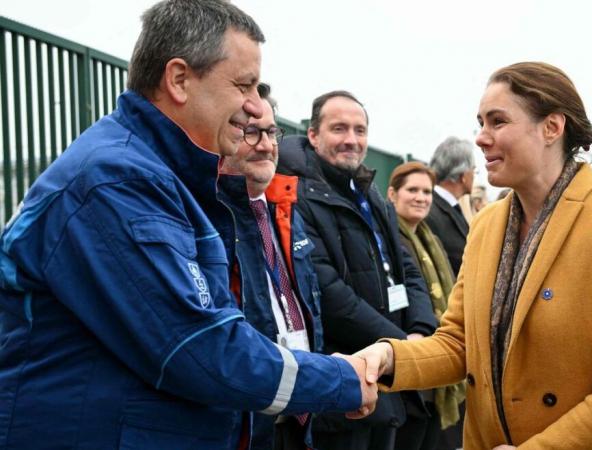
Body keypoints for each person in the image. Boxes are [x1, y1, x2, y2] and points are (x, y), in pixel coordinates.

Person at [0, 2, 377, 449]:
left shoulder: (166, 177)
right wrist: (339, 379)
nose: (256, 107)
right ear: (179, 79)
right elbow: (199, 347)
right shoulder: (115, 181)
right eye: (244, 85)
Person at [354, 62, 592, 449]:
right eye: (480, 123)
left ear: (552, 127)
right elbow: (458, 344)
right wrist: (387, 357)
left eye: (497, 121)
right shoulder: (487, 225)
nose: (481, 139)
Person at [277, 91, 437, 450]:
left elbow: (407, 268)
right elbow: (327, 293)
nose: (352, 139)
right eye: (339, 129)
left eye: (360, 130)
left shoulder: (369, 193)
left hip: (388, 375)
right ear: (314, 135)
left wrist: (421, 331)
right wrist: (399, 345)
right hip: (344, 384)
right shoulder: (297, 195)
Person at [219, 84, 322, 450]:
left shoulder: (285, 207)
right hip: (246, 421)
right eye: (250, 132)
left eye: (271, 132)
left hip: (299, 415)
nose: (265, 144)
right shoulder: (212, 217)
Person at [386, 162, 466, 450]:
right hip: (407, 367)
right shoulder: (387, 239)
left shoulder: (431, 240)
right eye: (412, 190)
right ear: (393, 194)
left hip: (436, 367)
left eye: (427, 191)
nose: (421, 197)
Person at [425, 137, 476, 275]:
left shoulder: (451, 207)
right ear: (463, 175)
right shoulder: (429, 212)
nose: (474, 175)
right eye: (474, 170)